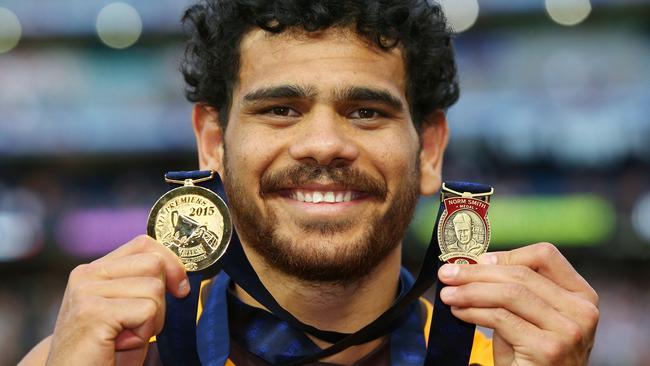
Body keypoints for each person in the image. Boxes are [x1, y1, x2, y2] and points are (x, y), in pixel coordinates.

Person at [20, 0, 599, 365]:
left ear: (430, 150)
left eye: (367, 112)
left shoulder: (514, 354)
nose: (324, 144)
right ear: (212, 143)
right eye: (281, 109)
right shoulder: (100, 354)